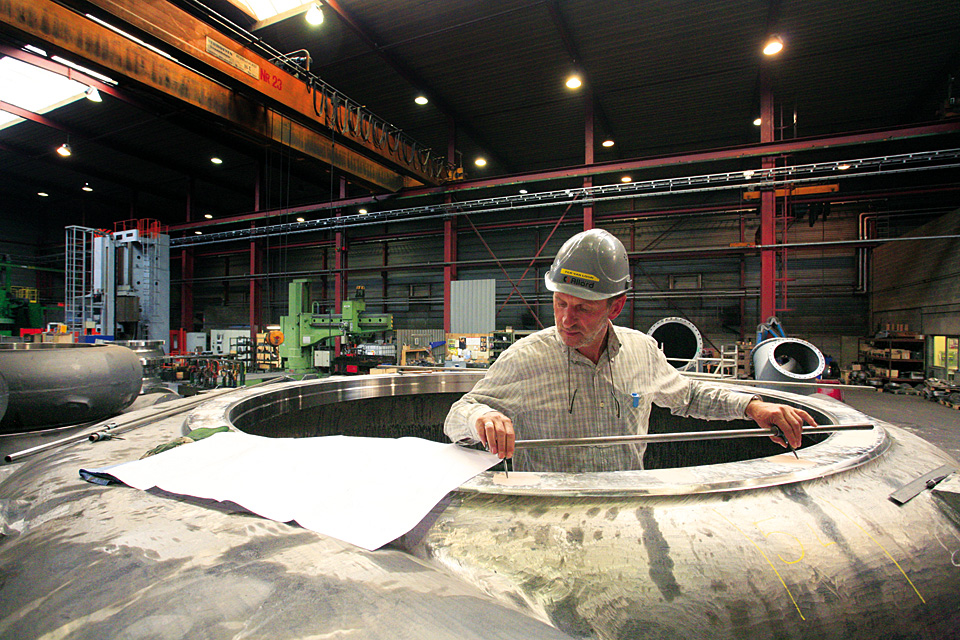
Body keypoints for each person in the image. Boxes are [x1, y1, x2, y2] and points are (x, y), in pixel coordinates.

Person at [443, 228, 815, 473]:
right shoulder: (526, 359)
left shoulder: (641, 351)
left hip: (625, 510)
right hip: (551, 518)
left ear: (616, 307)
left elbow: (687, 395)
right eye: (560, 303)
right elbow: (458, 415)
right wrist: (480, 418)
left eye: (583, 308)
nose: (566, 319)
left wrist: (753, 407)